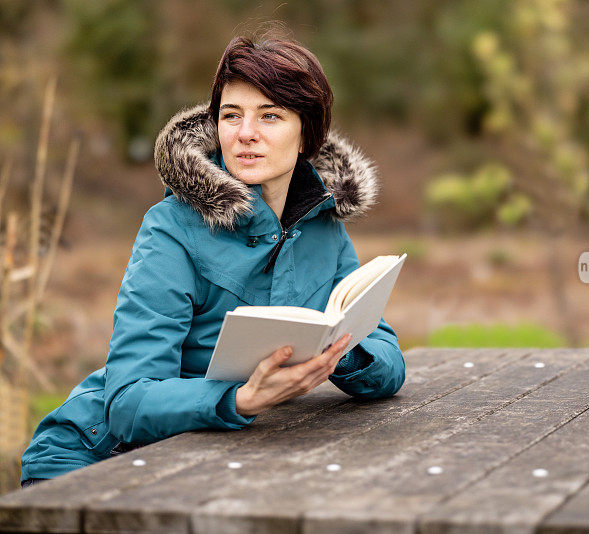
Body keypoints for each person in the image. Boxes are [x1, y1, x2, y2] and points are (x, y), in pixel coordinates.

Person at [19, 35, 405, 488]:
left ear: (307, 136)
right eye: (231, 115)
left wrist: (336, 354)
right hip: (95, 457)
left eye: (270, 116)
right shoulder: (171, 228)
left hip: (219, 458)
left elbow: (388, 363)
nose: (245, 134)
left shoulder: (324, 226)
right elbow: (126, 403)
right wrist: (239, 399)